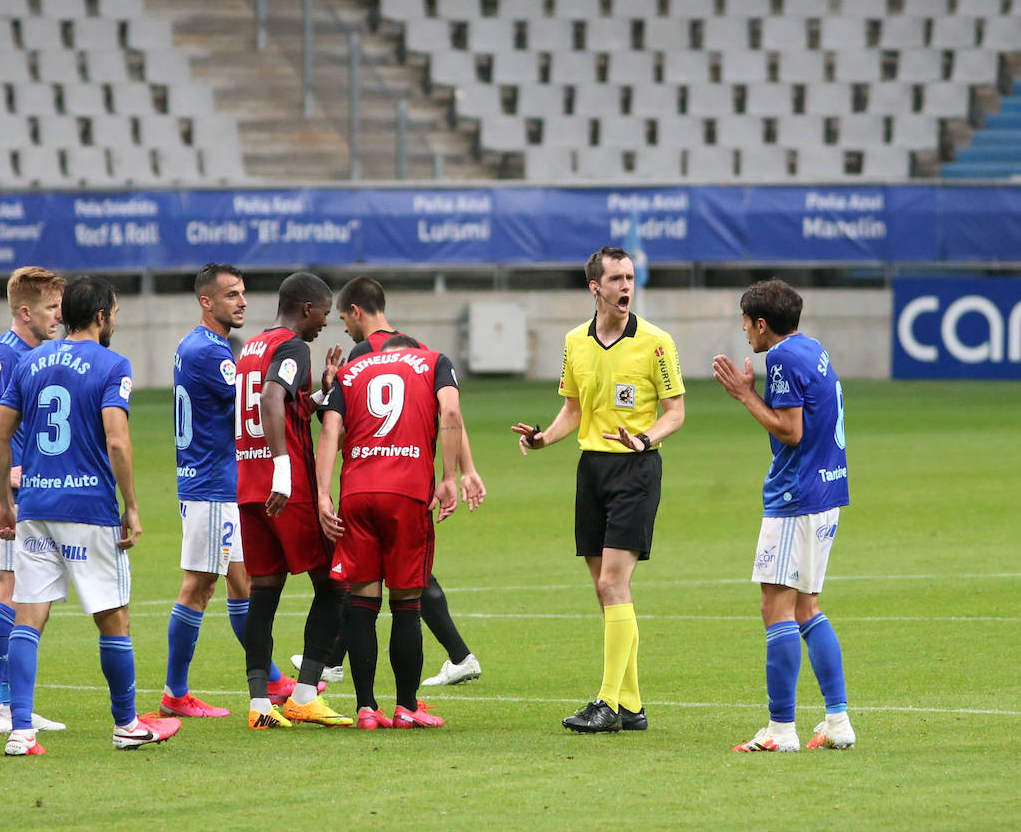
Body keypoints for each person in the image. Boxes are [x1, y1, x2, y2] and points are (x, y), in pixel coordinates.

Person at [0, 274, 180, 755]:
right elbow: (116, 440)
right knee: (113, 618)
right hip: (89, 508)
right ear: (100, 316)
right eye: (114, 313)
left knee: (28, 617)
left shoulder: (30, 362)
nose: (115, 320)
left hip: (35, 506)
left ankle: (20, 731)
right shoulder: (113, 364)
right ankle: (126, 724)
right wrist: (131, 505)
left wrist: (8, 504)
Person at [511, 246, 685, 733]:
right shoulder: (574, 342)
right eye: (616, 279)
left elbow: (676, 411)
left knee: (612, 584)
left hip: (636, 469)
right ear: (595, 287)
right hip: (592, 471)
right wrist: (543, 438)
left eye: (630, 277)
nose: (626, 286)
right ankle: (631, 706)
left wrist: (645, 438)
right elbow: (573, 410)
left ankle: (607, 702)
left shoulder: (655, 342)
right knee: (608, 590)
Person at [301, 275, 486, 689]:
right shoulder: (420, 351)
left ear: (356, 312)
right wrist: (462, 471)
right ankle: (414, 683)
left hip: (366, 483)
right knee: (410, 584)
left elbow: (340, 430)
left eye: (343, 319)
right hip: (410, 484)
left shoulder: (360, 358)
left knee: (370, 589)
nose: (343, 328)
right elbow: (448, 413)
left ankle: (346, 677)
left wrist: (329, 396)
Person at [714, 278, 855, 753]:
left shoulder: (782, 359)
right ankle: (837, 723)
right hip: (827, 491)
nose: (745, 333)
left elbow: (791, 431)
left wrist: (744, 395)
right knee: (807, 608)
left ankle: (780, 731)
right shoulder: (812, 348)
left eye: (745, 322)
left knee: (775, 610)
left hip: (796, 499)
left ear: (760, 323)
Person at [162, 263, 294, 718]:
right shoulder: (209, 352)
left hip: (214, 481)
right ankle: (175, 694)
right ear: (207, 302)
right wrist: (307, 399)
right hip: (211, 484)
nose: (242, 301)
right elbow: (254, 406)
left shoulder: (195, 345)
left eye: (242, 294)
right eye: (232, 295)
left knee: (242, 585)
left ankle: (273, 680)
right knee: (199, 587)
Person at [316, 334, 463, 729]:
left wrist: (322, 495)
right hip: (407, 493)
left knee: (362, 601)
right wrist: (450, 477)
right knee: (407, 603)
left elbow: (330, 430)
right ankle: (407, 706)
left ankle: (365, 708)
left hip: (358, 494)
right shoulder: (434, 362)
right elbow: (450, 412)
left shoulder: (349, 372)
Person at [235, 271, 354, 729]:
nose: (326, 323)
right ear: (307, 308)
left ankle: (259, 706)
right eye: (325, 312)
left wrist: (319, 391)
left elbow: (277, 403)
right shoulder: (292, 346)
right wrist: (284, 471)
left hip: (248, 485)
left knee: (263, 593)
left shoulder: (250, 348)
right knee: (334, 583)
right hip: (287, 492)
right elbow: (269, 400)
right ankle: (304, 694)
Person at [0, 266, 68, 736]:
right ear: (25, 311)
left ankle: (13, 704)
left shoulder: (38, 352)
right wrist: (0, 471)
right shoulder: (6, 351)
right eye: (50, 308)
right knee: (11, 589)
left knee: (29, 595)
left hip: (35, 495)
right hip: (12, 497)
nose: (59, 317)